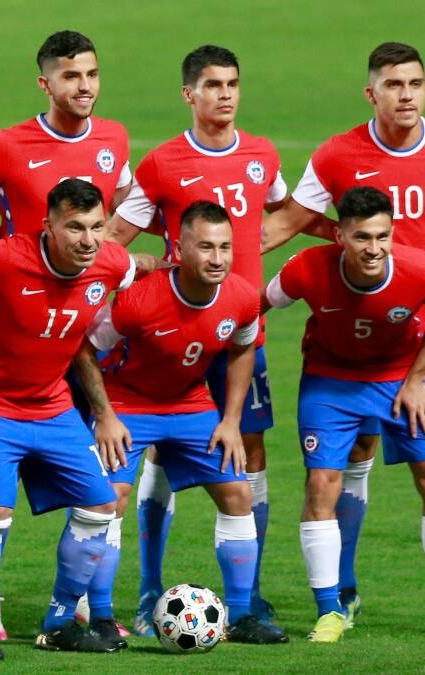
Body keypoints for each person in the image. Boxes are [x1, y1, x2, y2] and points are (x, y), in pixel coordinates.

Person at [262, 42, 425, 628]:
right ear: (371, 93)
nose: (406, 95)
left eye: (416, 84)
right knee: (354, 451)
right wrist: (216, 265)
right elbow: (288, 222)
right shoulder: (337, 155)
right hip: (356, 333)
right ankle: (342, 590)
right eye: (394, 85)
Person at [107, 44, 287, 634]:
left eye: (233, 83)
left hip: (237, 331)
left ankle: (249, 598)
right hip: (172, 334)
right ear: (190, 94)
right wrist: (144, 268)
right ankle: (147, 588)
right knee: (159, 448)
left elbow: (287, 211)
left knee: (246, 454)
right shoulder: (161, 164)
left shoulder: (262, 155)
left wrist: (249, 253)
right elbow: (114, 235)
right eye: (213, 85)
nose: (226, 95)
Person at [262, 186, 425, 643]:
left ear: (393, 233)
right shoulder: (306, 269)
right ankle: (330, 610)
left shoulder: (421, 271)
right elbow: (256, 306)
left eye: (382, 237)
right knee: (322, 482)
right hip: (330, 383)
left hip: (400, 380)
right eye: (362, 237)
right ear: (339, 234)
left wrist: (419, 378)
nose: (373, 249)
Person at [75, 201, 289, 645]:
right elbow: (86, 350)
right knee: (109, 498)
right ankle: (99, 616)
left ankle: (243, 614)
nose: (217, 258)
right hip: (128, 402)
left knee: (237, 491)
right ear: (180, 248)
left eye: (225, 248)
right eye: (206, 247)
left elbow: (244, 347)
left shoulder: (241, 297)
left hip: (189, 403)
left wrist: (231, 420)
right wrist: (105, 415)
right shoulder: (139, 300)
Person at [0, 179, 137, 660]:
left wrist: (105, 411)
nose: (88, 240)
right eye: (74, 227)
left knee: (100, 508)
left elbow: (140, 270)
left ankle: (58, 621)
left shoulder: (111, 264)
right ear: (47, 226)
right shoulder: (1, 258)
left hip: (53, 406)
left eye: (97, 227)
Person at [0, 30, 132, 243]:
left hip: (92, 277)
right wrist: (1, 246)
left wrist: (102, 256)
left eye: (92, 74)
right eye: (71, 76)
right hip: (23, 276)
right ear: (45, 84)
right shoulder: (3, 146)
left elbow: (130, 211)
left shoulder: (114, 137)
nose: (85, 87)